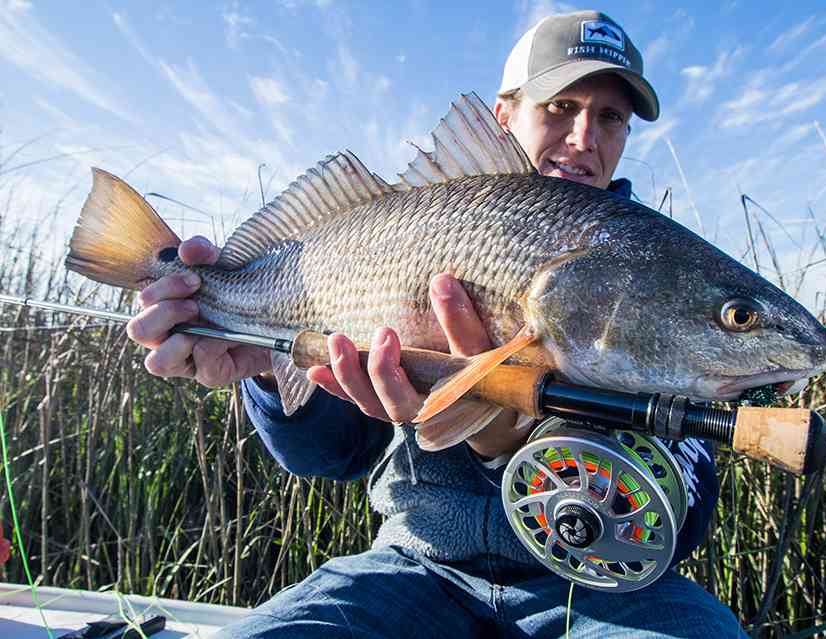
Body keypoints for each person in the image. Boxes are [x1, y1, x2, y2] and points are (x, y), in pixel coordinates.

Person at [127, 10, 747, 638]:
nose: (585, 136)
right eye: (560, 106)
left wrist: (504, 437)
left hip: (602, 588)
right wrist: (264, 360)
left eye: (610, 116)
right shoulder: (414, 221)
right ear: (504, 116)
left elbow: (689, 503)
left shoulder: (660, 268)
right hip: (414, 568)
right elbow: (329, 455)